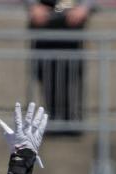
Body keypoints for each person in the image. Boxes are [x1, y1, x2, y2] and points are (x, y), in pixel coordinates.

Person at [28, 0, 93, 130]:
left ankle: (72, 119)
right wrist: (33, 6)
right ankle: (53, 118)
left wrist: (84, 8)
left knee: (72, 72)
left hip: (72, 21)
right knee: (46, 72)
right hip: (44, 20)